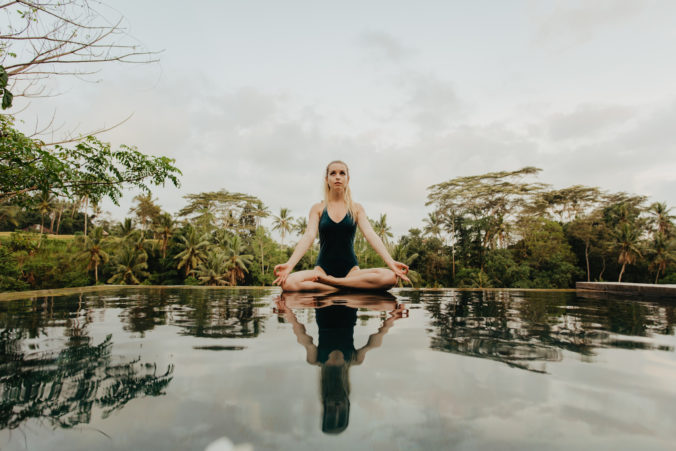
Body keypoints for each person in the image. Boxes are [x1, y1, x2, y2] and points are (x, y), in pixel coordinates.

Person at [274, 292, 408, 434]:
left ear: (325, 403)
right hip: (350, 296)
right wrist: (394, 316)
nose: (337, 406)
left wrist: (286, 311)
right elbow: (375, 341)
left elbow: (301, 334)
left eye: (332, 410)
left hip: (324, 296)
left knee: (291, 285)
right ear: (347, 405)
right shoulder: (354, 360)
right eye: (341, 412)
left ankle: (331, 279)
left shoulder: (316, 359)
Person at [273, 160, 411, 291]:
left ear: (348, 179)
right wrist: (289, 265)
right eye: (333, 173)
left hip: (351, 272)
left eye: (342, 173)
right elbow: (309, 236)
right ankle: (346, 287)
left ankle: (334, 284)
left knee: (390, 278)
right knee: (288, 284)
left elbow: (370, 234)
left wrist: (391, 262)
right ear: (327, 179)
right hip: (321, 271)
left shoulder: (356, 209)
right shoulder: (318, 208)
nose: (337, 177)